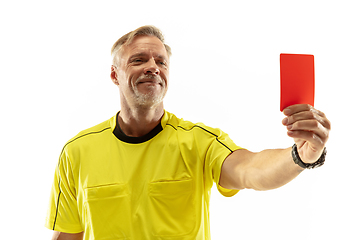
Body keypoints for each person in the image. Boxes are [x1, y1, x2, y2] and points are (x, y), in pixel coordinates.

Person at [45, 25, 331, 240]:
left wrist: (302, 155)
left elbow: (250, 170)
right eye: (138, 60)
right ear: (114, 75)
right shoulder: (77, 151)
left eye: (161, 61)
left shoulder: (199, 142)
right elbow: (68, 235)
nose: (153, 68)